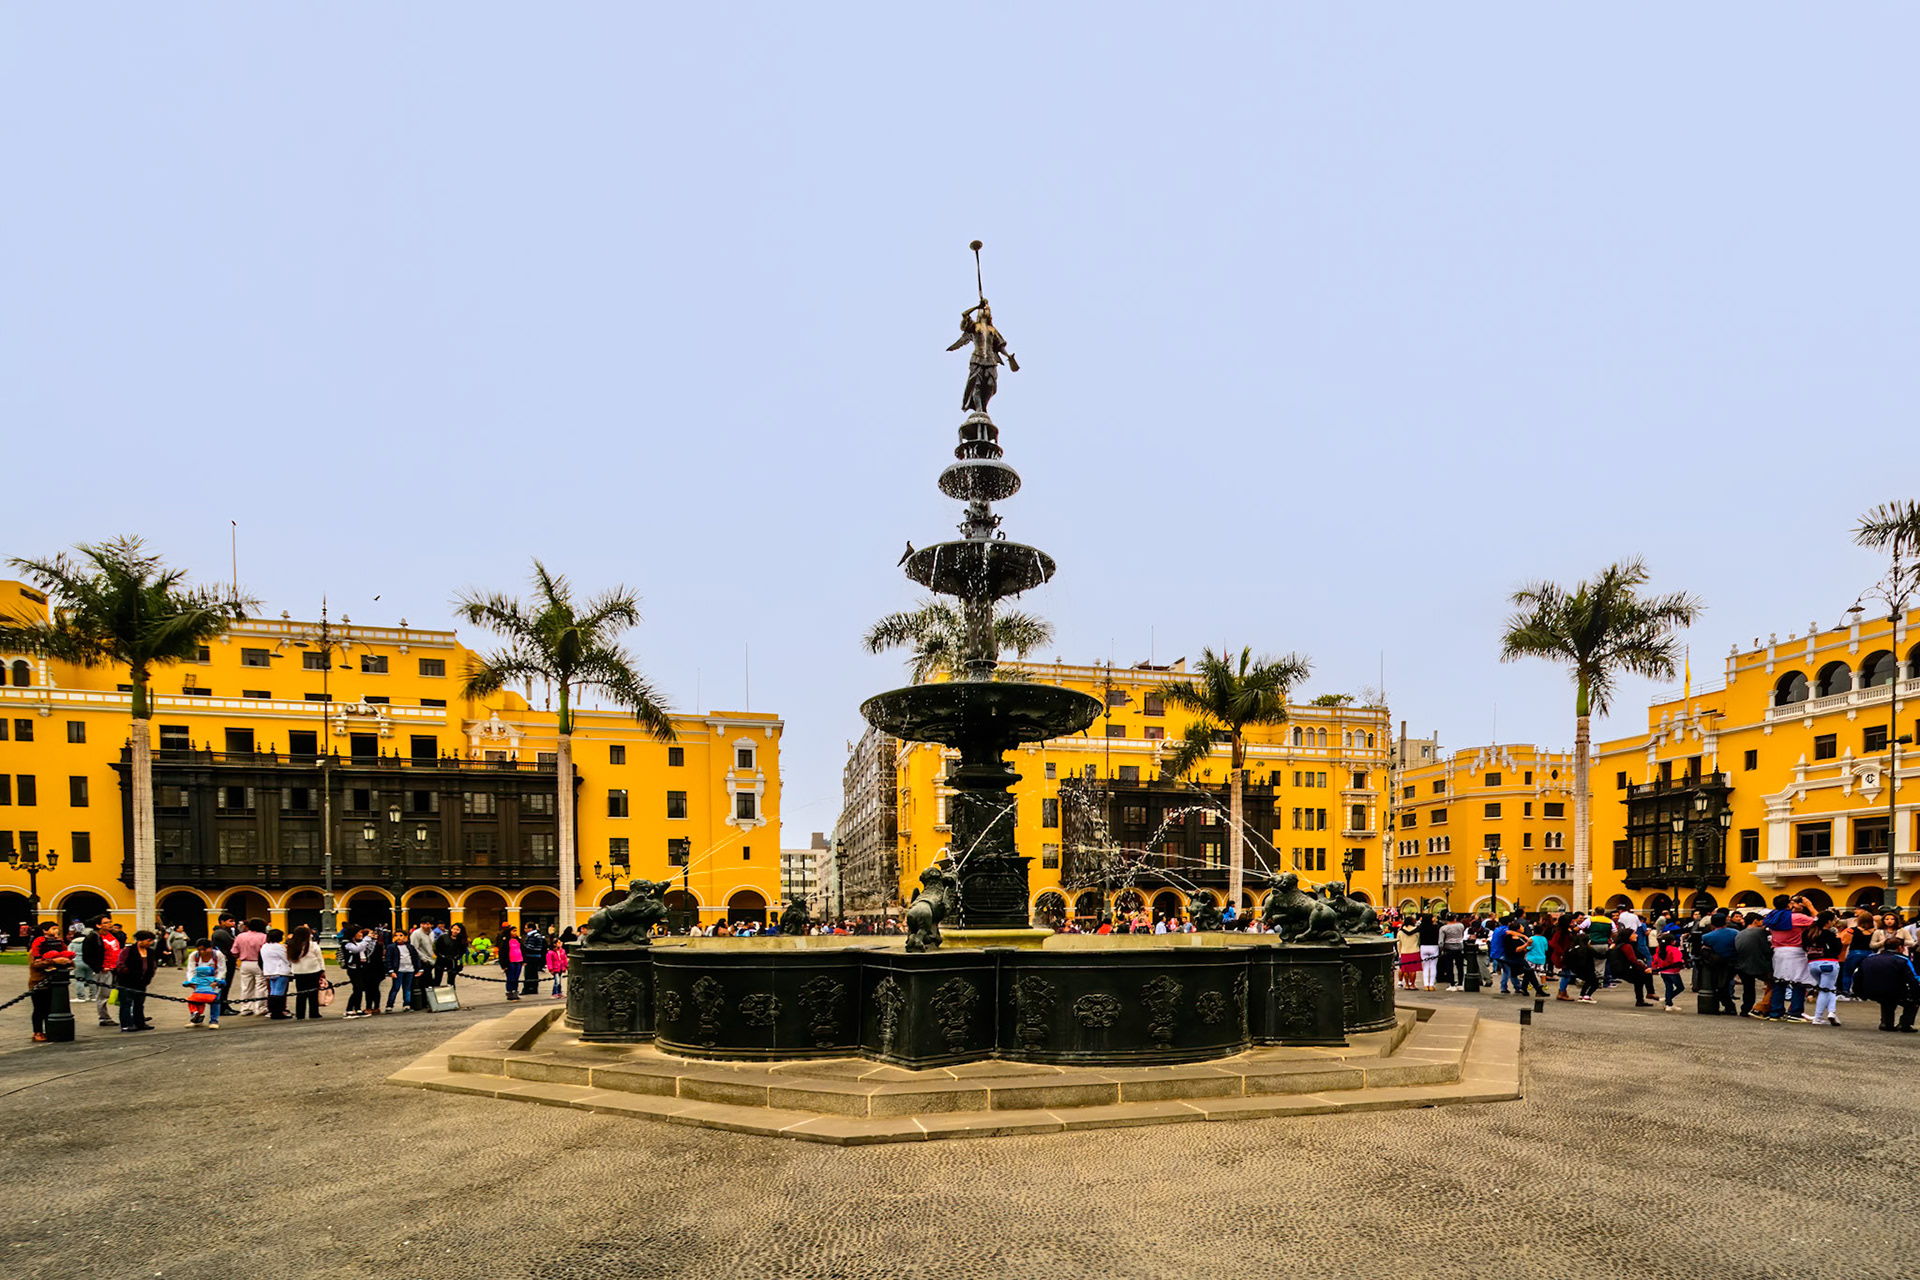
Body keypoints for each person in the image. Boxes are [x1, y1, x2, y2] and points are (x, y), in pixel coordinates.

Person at [1764, 894, 1817, 1022]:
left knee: (1780, 981)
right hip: (1795, 951)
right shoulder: (1797, 917)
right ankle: (1795, 1012)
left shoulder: (1771, 916)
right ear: (1789, 905)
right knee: (1799, 982)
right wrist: (1809, 905)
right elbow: (1819, 920)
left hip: (1778, 951)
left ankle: (1776, 1012)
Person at [1855, 937, 1920, 1032]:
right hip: (1893, 991)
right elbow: (1913, 979)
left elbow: (1857, 975)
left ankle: (1886, 1023)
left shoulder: (1869, 958)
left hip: (1871, 990)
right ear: (1900, 947)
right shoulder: (1903, 960)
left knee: (1887, 999)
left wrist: (1859, 991)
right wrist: (1916, 994)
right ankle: (1905, 1024)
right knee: (1910, 1000)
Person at [26, 923, 74, 1042]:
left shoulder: (59, 945)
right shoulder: (37, 947)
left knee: (51, 1009)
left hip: (56, 983)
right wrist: (53, 961)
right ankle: (37, 1032)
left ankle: (50, 1030)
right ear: (44, 931)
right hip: (39, 982)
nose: (57, 931)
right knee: (39, 1009)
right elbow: (35, 964)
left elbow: (69, 959)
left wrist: (66, 961)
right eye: (53, 929)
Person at [113, 929, 160, 1032]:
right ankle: (126, 1024)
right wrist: (127, 973)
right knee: (126, 1003)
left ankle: (140, 1022)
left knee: (139, 1003)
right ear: (140, 940)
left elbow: (153, 965)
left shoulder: (150, 951)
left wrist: (149, 976)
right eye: (148, 940)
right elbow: (121, 964)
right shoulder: (129, 950)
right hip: (127, 982)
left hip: (142, 982)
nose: (150, 943)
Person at [1804, 910, 1844, 1027]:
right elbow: (1837, 950)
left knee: (1829, 988)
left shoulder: (1808, 932)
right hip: (1829, 962)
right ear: (1828, 921)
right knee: (1825, 990)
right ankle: (1818, 1016)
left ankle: (1832, 1012)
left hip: (1813, 963)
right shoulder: (1829, 934)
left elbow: (1803, 947)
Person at [1701, 911, 1740, 1015]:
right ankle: (1729, 1006)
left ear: (1712, 924)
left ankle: (1727, 1006)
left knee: (1718, 985)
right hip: (1733, 962)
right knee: (1726, 985)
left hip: (1717, 963)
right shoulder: (1735, 933)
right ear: (1726, 922)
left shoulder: (1707, 937)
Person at [1735, 912, 1773, 1018]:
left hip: (1742, 964)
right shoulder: (1760, 932)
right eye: (1761, 921)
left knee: (1748, 989)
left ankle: (1745, 1009)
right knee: (1774, 984)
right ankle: (1764, 1007)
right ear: (1755, 921)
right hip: (1759, 964)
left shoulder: (1740, 933)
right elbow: (1767, 949)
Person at [229, 916, 268, 1015]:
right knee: (261, 986)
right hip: (259, 963)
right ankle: (260, 1008)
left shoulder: (240, 936)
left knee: (246, 986)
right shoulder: (263, 937)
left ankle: (246, 1008)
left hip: (245, 963)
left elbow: (234, 951)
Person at [181, 941, 224, 1028]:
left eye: (204, 949)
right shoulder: (194, 955)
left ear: (211, 948)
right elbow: (191, 970)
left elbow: (222, 970)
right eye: (199, 950)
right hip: (199, 982)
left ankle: (214, 1021)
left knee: (215, 1000)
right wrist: (192, 983)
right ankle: (197, 1019)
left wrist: (217, 982)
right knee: (196, 1000)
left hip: (214, 981)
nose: (202, 952)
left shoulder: (218, 955)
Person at [288, 924, 326, 1019]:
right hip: (313, 970)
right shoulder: (313, 945)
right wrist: (323, 970)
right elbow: (319, 958)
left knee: (301, 994)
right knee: (313, 993)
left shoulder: (292, 945)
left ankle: (300, 1014)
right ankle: (314, 1012)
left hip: (298, 972)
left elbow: (289, 960)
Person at [1650, 929, 1687, 1011]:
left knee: (1668, 987)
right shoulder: (1674, 949)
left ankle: (1669, 1004)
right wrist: (1682, 964)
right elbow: (1677, 961)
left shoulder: (1659, 949)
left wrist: (1654, 968)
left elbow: (1655, 959)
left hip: (1663, 971)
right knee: (1680, 987)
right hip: (1673, 972)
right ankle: (1668, 1000)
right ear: (1672, 942)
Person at [260, 927, 292, 1019]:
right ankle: (278, 1012)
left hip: (269, 971)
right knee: (280, 992)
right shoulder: (279, 947)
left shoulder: (264, 946)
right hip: (280, 971)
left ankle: (273, 1011)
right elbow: (286, 958)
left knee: (273, 992)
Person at [385, 927, 418, 1012]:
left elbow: (415, 958)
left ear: (406, 937)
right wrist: (390, 970)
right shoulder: (391, 947)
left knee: (407, 988)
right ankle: (390, 1005)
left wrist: (419, 969)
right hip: (398, 970)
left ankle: (407, 1004)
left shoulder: (410, 947)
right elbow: (388, 959)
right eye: (396, 936)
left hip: (409, 969)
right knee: (395, 988)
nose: (399, 937)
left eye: (401, 935)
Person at [211, 914, 239, 1016]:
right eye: (230, 921)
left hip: (228, 960)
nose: (233, 923)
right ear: (222, 922)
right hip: (224, 962)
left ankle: (224, 1005)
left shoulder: (229, 932)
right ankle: (222, 1007)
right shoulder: (220, 933)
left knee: (226, 984)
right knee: (223, 984)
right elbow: (233, 943)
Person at [1438, 913, 1467, 991]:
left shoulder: (1443, 928)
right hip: (1459, 947)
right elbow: (1462, 935)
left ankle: (1452, 984)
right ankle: (1460, 984)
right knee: (1460, 966)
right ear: (1455, 918)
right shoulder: (1460, 926)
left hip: (1448, 948)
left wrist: (1441, 949)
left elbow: (1441, 941)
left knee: (1449, 967)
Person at [498, 924, 525, 1000]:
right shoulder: (505, 941)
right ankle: (510, 992)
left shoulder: (518, 940)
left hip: (518, 960)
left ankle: (515, 991)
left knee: (516, 977)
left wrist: (524, 960)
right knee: (511, 977)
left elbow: (522, 949)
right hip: (510, 961)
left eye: (516, 931)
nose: (515, 933)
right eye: (513, 931)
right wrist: (504, 965)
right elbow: (502, 953)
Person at [1395, 916, 1421, 990]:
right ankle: (1412, 984)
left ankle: (1406, 984)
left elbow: (1398, 943)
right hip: (1414, 950)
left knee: (1405, 969)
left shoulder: (1400, 931)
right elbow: (1419, 941)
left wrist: (1399, 952)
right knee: (1413, 969)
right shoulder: (1417, 930)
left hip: (1404, 951)